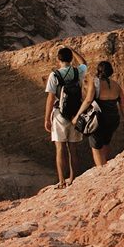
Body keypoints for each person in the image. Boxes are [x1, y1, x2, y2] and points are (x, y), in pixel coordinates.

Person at [73, 60, 124, 167]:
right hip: (113, 119)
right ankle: (105, 166)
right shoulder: (116, 85)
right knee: (105, 143)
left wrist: (77, 116)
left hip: (99, 119)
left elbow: (88, 100)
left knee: (95, 147)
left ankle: (101, 171)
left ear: (99, 70)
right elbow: (123, 105)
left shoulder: (95, 83)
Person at [44, 46, 87, 188]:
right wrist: (73, 50)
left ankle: (62, 181)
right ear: (70, 59)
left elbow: (50, 98)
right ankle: (73, 179)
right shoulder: (78, 71)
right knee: (73, 149)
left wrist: (46, 119)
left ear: (58, 59)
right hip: (75, 114)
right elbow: (84, 63)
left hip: (59, 115)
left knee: (60, 149)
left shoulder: (55, 75)